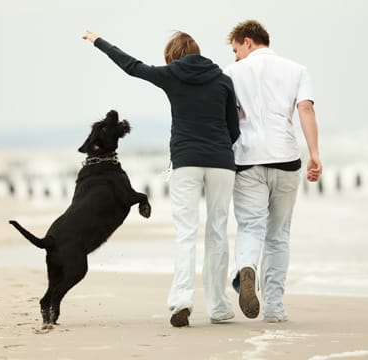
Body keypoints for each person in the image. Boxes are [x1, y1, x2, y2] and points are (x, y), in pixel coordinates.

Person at [82, 30, 240, 327]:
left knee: (186, 232)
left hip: (186, 163)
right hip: (221, 163)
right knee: (218, 231)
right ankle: (219, 307)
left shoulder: (171, 75)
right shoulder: (222, 80)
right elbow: (234, 129)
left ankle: (182, 300)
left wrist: (98, 41)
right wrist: (218, 149)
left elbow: (131, 66)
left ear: (173, 56)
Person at [224, 20, 323, 323]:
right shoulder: (297, 70)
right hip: (286, 159)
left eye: (236, 49)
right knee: (278, 235)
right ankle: (275, 308)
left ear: (248, 42)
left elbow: (224, 117)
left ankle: (246, 268)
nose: (235, 56)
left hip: (247, 160)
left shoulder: (230, 73)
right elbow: (305, 108)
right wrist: (314, 154)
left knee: (251, 226)